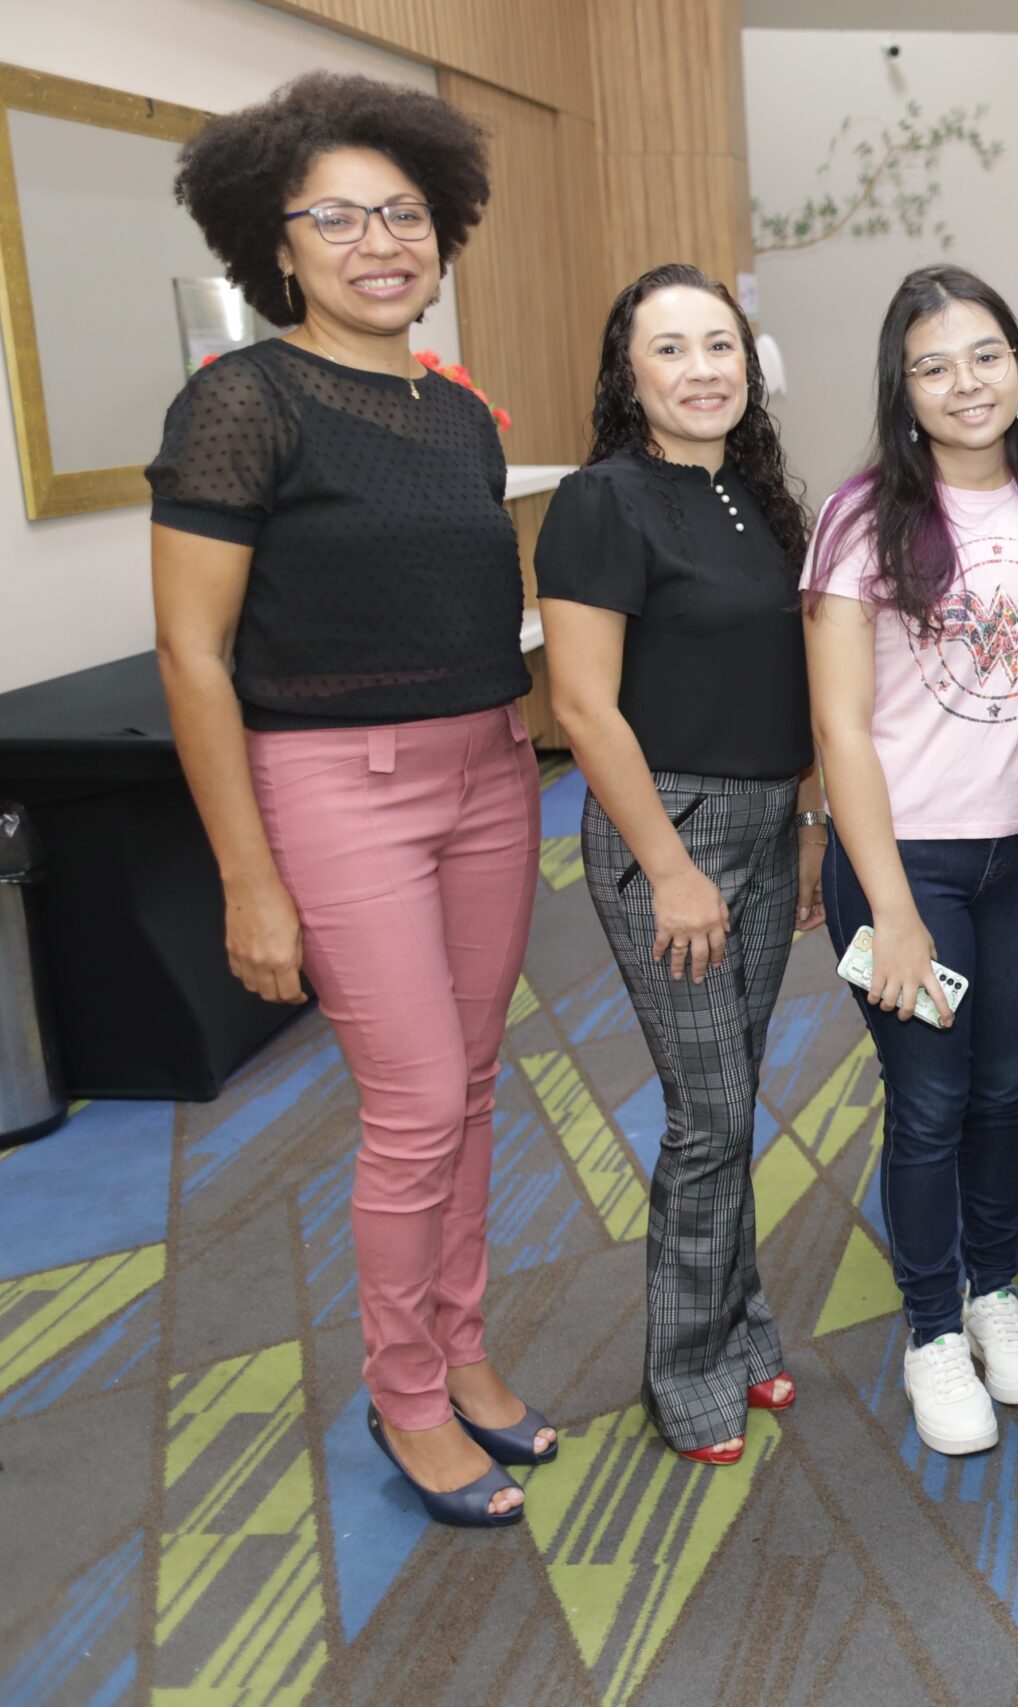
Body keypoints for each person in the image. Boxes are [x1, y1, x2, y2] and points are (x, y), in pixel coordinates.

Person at [150, 73, 546, 1526]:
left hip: (494, 772)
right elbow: (193, 656)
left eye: (406, 212)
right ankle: (405, 1392)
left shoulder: (458, 415)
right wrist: (250, 879)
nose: (381, 241)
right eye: (339, 217)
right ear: (279, 240)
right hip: (334, 787)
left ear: (442, 232)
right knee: (418, 1096)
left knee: (482, 1082)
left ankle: (462, 1339)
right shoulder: (238, 405)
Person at [803, 266, 1018, 1458]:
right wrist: (891, 906)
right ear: (903, 388)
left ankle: (992, 1292)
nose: (964, 383)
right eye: (933, 365)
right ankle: (932, 1328)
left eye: (984, 355)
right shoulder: (862, 515)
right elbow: (838, 732)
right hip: (905, 866)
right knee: (926, 1106)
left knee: (1001, 1091)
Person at [535, 264, 819, 1465]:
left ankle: (741, 1327)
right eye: (670, 349)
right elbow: (584, 708)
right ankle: (689, 1366)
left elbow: (792, 679)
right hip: (675, 832)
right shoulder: (600, 501)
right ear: (627, 374)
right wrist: (671, 869)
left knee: (736, 1095)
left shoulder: (760, 497)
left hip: (763, 820)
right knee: (706, 1117)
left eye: (720, 345)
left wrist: (802, 826)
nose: (702, 369)